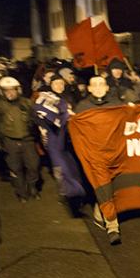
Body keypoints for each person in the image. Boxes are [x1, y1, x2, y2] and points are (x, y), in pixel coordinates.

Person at [74, 76, 124, 244]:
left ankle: (99, 206)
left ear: (107, 87)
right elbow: (75, 130)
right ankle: (112, 227)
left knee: (113, 188)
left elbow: (129, 121)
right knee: (104, 187)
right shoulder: (82, 107)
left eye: (101, 84)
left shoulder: (116, 105)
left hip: (116, 154)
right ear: (88, 88)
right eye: (94, 84)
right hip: (95, 156)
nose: (98, 88)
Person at [33, 75, 86, 211]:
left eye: (61, 83)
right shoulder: (45, 98)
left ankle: (78, 198)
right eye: (56, 83)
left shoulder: (69, 96)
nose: (59, 86)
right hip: (55, 139)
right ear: (51, 84)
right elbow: (39, 116)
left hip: (70, 139)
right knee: (62, 170)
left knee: (74, 168)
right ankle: (71, 200)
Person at [0, 76, 40, 202]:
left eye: (12, 90)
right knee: (15, 168)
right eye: (6, 90)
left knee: (33, 165)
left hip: (27, 140)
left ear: (18, 90)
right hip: (10, 141)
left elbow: (36, 120)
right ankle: (21, 192)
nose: (10, 93)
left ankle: (32, 187)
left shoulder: (26, 103)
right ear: (1, 92)